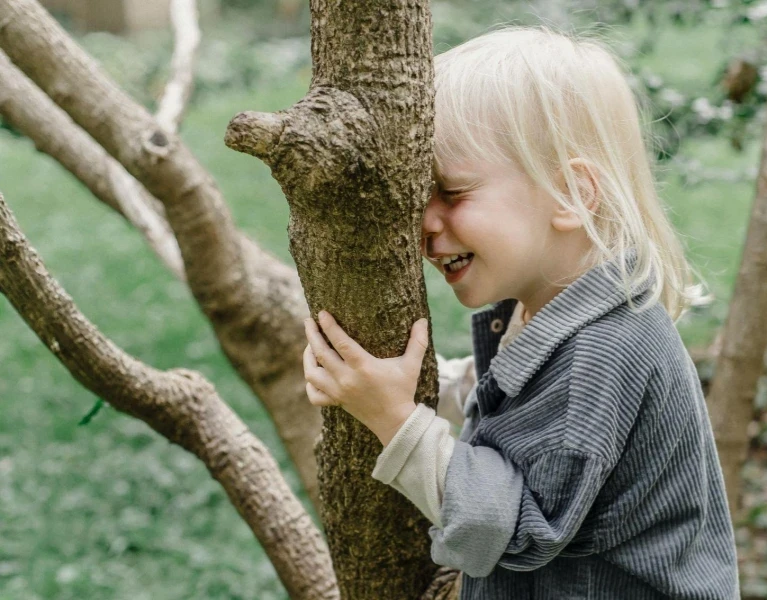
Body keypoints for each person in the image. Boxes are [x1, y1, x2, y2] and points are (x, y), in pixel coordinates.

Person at [302, 26, 740, 599]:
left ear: (572, 196)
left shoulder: (603, 352)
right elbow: (524, 412)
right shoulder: (548, 309)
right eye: (419, 195)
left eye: (452, 193)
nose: (424, 223)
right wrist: (446, 385)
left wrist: (394, 419)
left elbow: (511, 530)